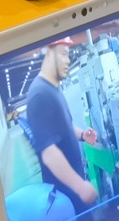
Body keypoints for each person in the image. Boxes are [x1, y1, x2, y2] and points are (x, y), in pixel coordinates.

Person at [25, 39, 99, 213]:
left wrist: (82, 135)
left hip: (74, 193)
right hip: (66, 198)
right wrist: (81, 187)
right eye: (64, 54)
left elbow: (62, 128)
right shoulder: (39, 95)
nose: (68, 60)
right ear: (49, 53)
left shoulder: (52, 89)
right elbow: (49, 154)